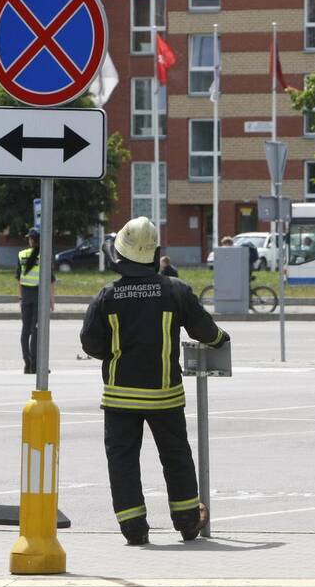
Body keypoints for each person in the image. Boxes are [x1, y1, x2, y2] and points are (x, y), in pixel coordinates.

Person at [80, 216, 230, 546]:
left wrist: (114, 354)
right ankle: (188, 522)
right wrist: (220, 339)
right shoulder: (174, 290)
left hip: (120, 398)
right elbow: (204, 330)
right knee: (176, 458)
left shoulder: (107, 296)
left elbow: (90, 343)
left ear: (119, 255)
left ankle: (134, 530)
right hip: (165, 397)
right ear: (154, 253)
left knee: (123, 463)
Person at [16, 229, 54, 374]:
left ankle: (27, 363)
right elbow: (50, 280)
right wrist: (51, 300)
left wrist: (20, 297)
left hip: (26, 297)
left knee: (25, 330)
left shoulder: (22, 255)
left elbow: (19, 278)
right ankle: (36, 365)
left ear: (31, 240)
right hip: (40, 298)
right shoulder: (45, 256)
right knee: (36, 331)